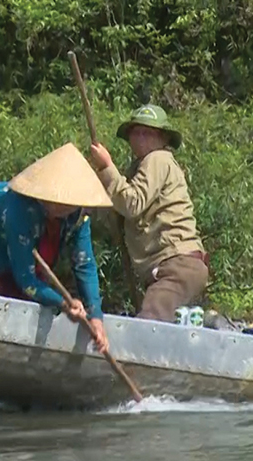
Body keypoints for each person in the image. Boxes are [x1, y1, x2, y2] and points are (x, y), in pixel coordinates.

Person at [0, 142, 111, 353]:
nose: (59, 205)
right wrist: (64, 303)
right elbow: (25, 278)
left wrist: (96, 317)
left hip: (3, 253)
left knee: (25, 307)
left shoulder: (79, 218)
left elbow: (85, 265)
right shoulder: (20, 210)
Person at [88, 103, 209, 322]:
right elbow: (119, 209)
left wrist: (107, 167)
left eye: (149, 133)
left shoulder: (158, 159)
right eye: (137, 132)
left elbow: (132, 204)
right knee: (162, 327)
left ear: (163, 139)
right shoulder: (140, 168)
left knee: (149, 322)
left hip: (176, 264)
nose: (141, 138)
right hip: (175, 266)